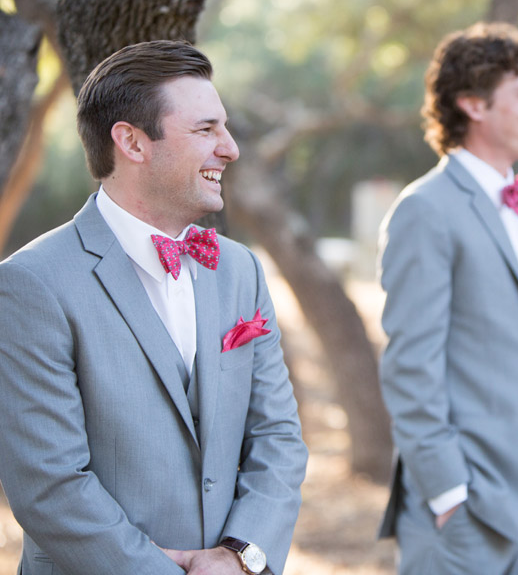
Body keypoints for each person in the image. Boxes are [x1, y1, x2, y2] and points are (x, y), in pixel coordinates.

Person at [0, 40, 307, 575]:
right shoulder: (31, 284)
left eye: (225, 128)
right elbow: (48, 483)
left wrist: (242, 557)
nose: (230, 148)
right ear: (132, 143)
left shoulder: (240, 270)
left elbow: (277, 435)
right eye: (206, 130)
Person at [376, 21, 518, 574]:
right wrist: (448, 494)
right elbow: (409, 366)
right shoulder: (426, 209)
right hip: (463, 512)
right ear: (473, 104)